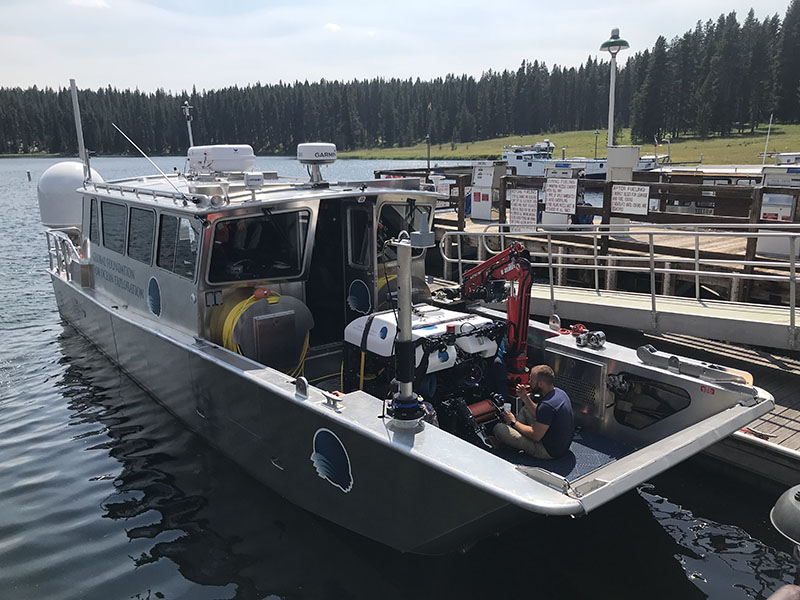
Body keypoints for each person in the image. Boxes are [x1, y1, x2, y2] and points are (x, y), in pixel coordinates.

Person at [492, 364, 574, 459]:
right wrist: (524, 397)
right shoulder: (560, 393)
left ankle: (509, 440)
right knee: (525, 409)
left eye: (531, 380)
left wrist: (513, 422)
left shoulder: (547, 406)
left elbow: (536, 436)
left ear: (540, 384)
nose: (529, 382)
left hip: (548, 451)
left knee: (499, 428)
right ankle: (512, 438)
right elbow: (541, 414)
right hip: (561, 445)